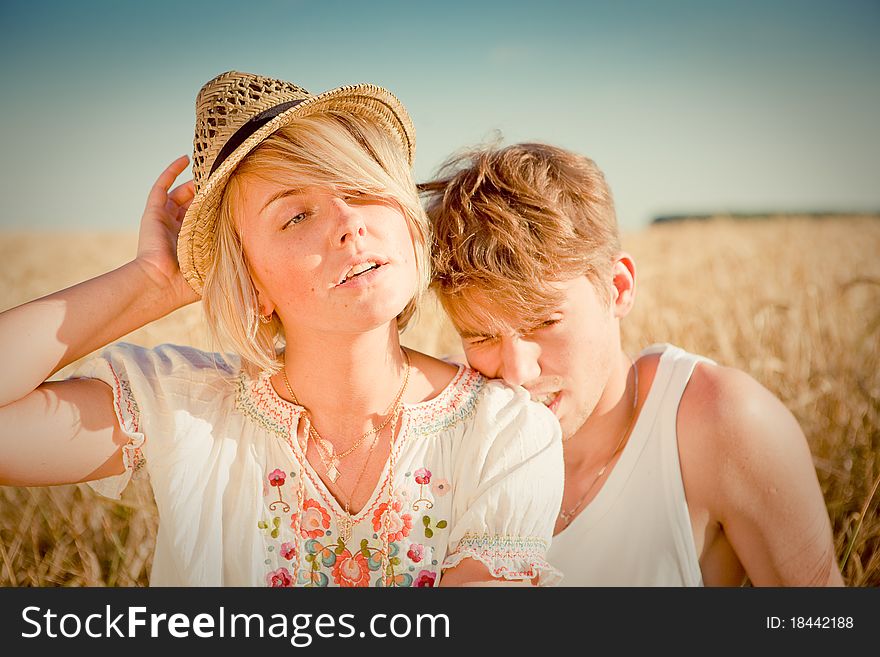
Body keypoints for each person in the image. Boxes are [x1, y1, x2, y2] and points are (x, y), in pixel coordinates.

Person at [0, 72, 563, 587]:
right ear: (251, 280)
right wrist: (154, 282)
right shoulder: (186, 410)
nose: (349, 223)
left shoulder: (507, 432)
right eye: (296, 215)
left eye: (363, 188)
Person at [422, 142, 844, 586]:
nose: (517, 374)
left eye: (544, 321)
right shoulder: (445, 419)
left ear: (618, 288)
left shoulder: (724, 424)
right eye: (482, 336)